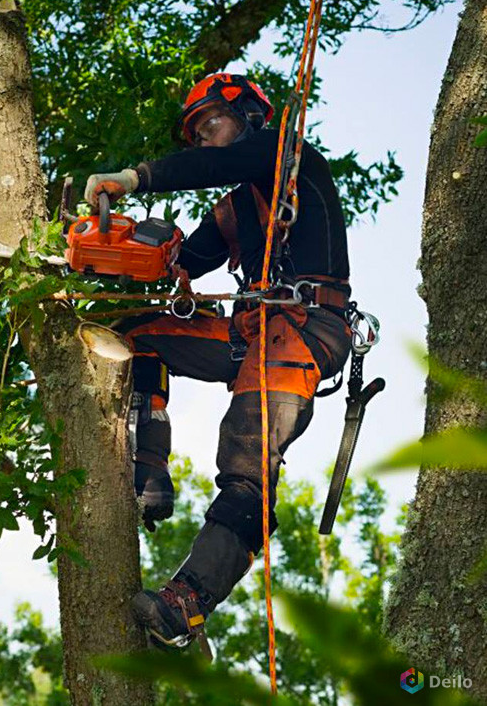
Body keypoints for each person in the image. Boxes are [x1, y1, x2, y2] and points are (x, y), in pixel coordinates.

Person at [83, 73, 352, 652]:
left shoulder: (287, 154)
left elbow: (213, 167)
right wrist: (109, 252)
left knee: (246, 462)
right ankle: (148, 469)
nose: (204, 143)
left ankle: (188, 602)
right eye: (197, 136)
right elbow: (182, 262)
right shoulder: (235, 212)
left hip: (307, 330)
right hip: (256, 330)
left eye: (211, 127)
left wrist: (136, 179)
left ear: (251, 117)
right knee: (137, 333)